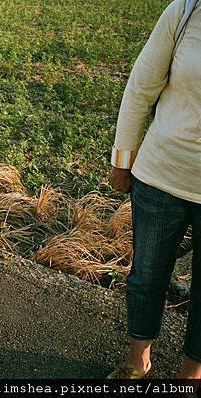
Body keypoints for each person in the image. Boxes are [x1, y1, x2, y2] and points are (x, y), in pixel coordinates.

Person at [108, 0, 200, 379]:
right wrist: (122, 158)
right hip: (162, 175)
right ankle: (137, 361)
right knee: (146, 278)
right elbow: (140, 89)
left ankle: (191, 375)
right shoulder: (184, 12)